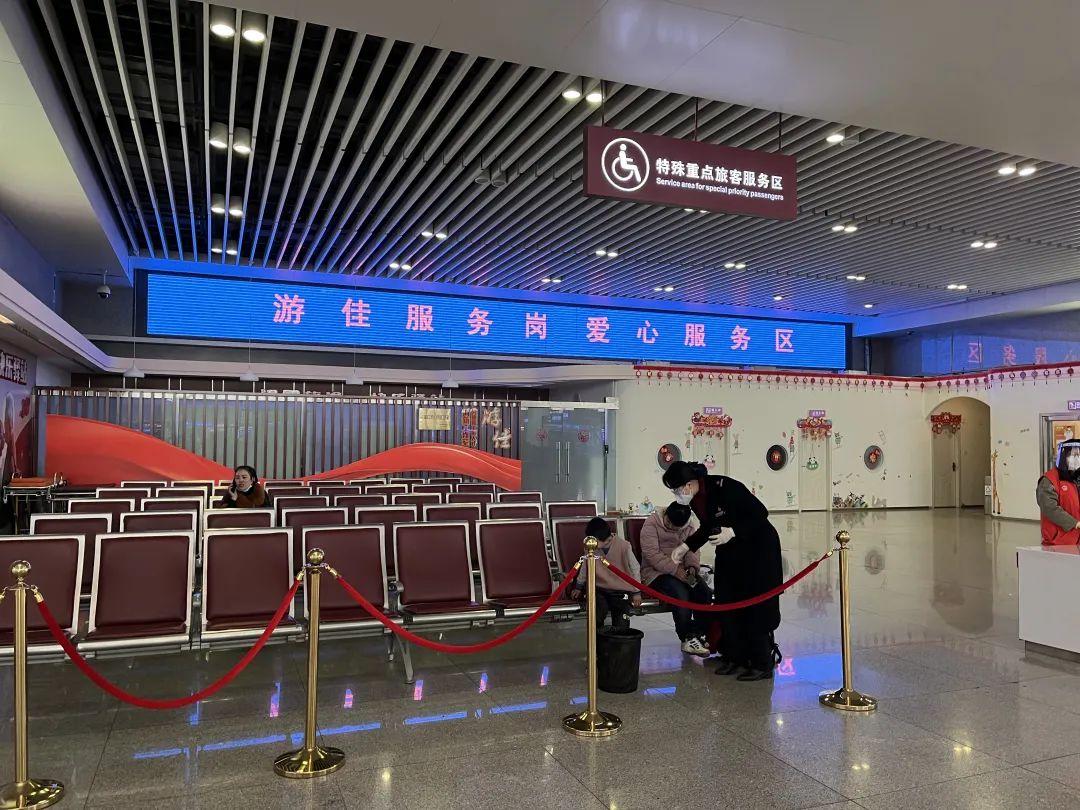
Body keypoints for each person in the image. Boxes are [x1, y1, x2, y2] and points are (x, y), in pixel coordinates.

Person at [661, 460, 783, 681]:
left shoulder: (725, 487)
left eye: (678, 489)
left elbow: (759, 513)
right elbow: (708, 526)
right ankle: (734, 658)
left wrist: (734, 531)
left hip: (757, 550)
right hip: (730, 552)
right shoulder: (696, 499)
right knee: (726, 601)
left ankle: (761, 663)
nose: (677, 495)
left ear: (689, 484)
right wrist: (687, 546)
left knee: (755, 606)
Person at [639, 501, 713, 657]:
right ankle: (686, 638)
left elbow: (693, 549)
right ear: (665, 514)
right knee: (680, 594)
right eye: (669, 524)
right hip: (655, 573)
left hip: (683, 572)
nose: (672, 528)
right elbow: (652, 555)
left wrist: (692, 567)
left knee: (703, 592)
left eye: (677, 527)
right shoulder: (652, 524)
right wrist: (676, 571)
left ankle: (696, 634)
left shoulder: (689, 526)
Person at [570, 516, 641, 629]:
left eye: (595, 540)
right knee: (596, 617)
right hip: (599, 588)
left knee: (621, 622)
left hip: (621, 590)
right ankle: (597, 639)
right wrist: (578, 586)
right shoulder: (590, 547)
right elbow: (584, 567)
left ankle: (618, 639)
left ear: (605, 539)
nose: (591, 543)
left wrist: (636, 592)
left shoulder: (624, 546)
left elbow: (635, 568)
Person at [1038, 439, 1080, 545]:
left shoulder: (1077, 478)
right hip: (1058, 541)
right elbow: (1049, 507)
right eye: (1071, 455)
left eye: (1079, 455)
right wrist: (1074, 523)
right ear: (1063, 456)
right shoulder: (1049, 479)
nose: (1076, 458)